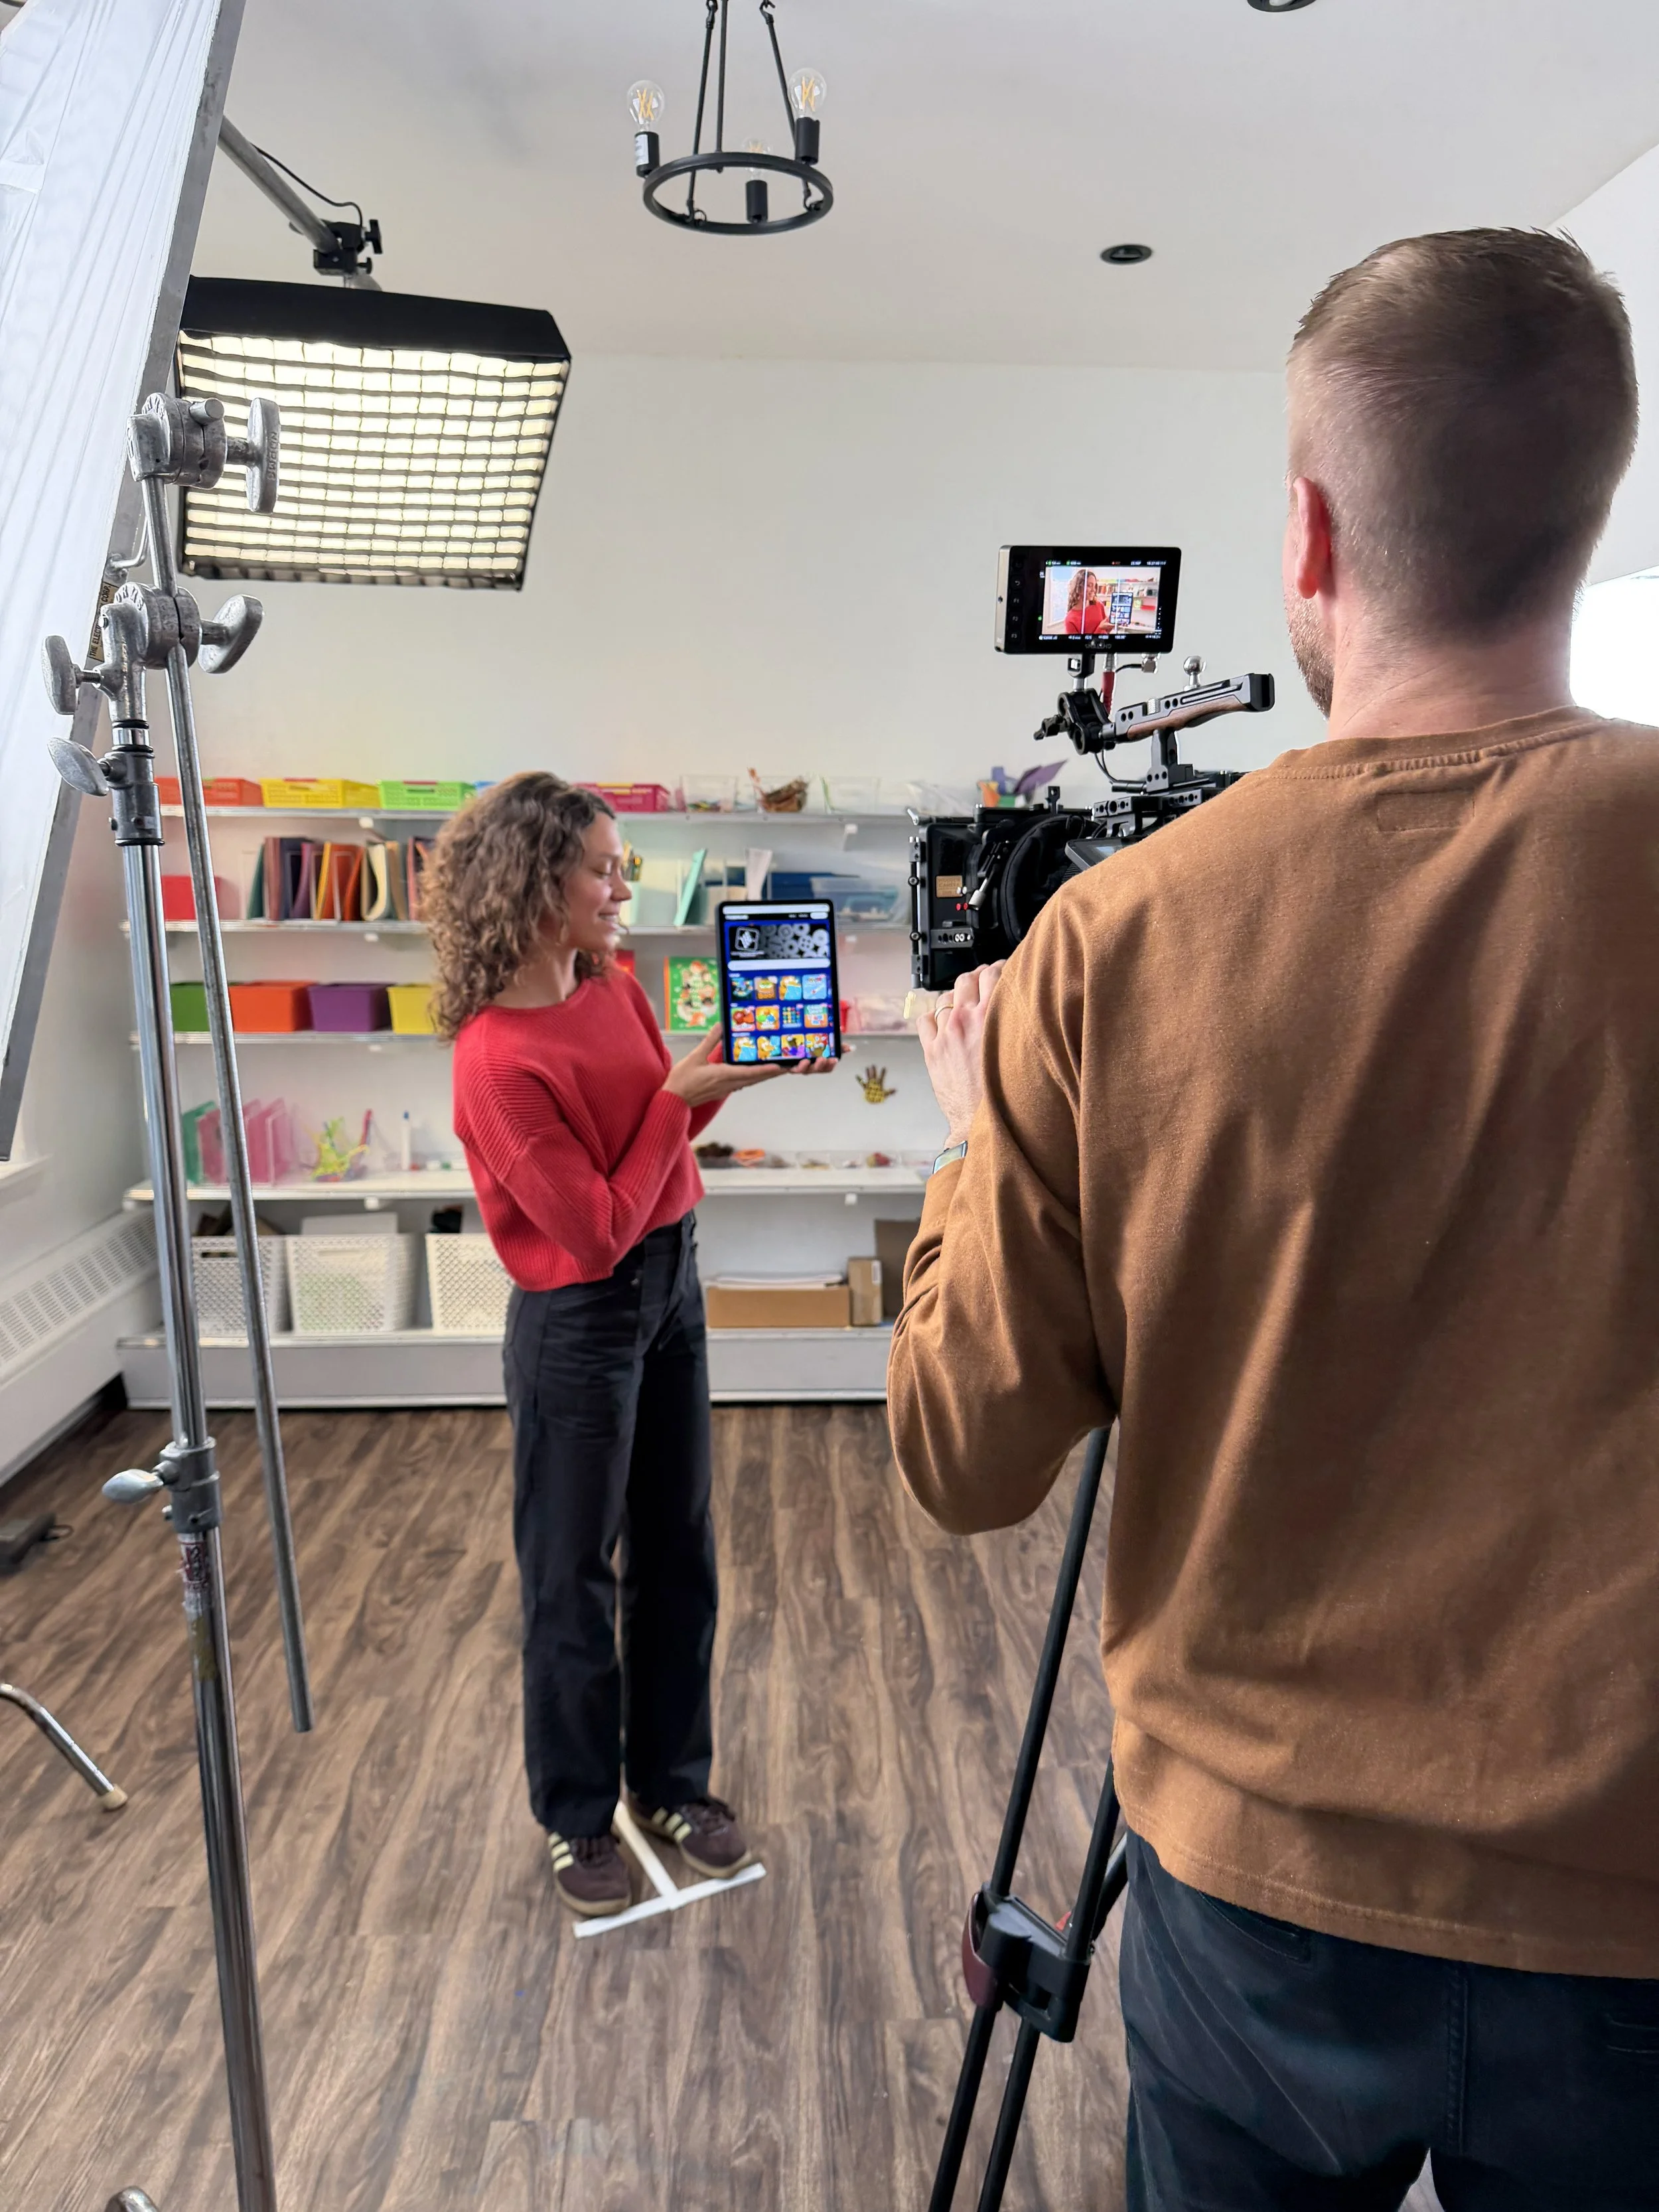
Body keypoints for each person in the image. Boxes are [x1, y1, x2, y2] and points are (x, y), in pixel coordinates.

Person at [890, 228, 1659, 2208]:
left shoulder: (1113, 944)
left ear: (1305, 537)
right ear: (1593, 509)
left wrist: (978, 1136)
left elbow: (962, 1457)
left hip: (1254, 1882)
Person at [426, 773, 821, 1917]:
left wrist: (735, 1068)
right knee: (569, 1579)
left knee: (678, 1554)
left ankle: (671, 1784)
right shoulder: (494, 1061)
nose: (620, 884)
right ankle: (575, 1816)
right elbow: (592, 1228)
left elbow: (669, 1129)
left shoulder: (614, 983)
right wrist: (676, 1099)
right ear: (538, 885)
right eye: (601, 866)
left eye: (619, 863)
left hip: (672, 1286)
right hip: (581, 1318)